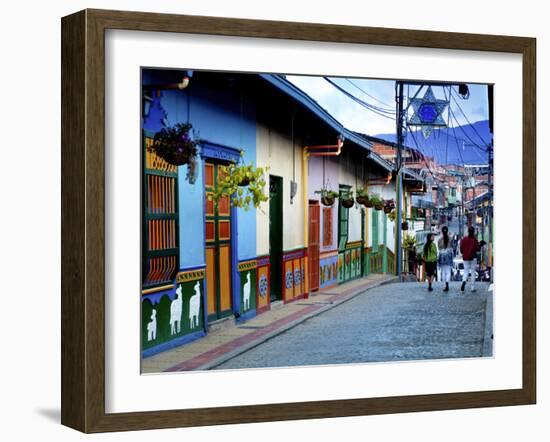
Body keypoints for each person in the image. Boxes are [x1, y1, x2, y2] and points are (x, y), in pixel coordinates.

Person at [459, 226, 486, 292]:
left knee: (466, 271)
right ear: (473, 232)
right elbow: (477, 248)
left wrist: (463, 253)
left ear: (468, 231)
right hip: (473, 257)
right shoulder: (474, 239)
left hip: (465, 258)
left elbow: (461, 248)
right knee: (473, 272)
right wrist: (481, 244)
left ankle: (464, 281)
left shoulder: (464, 239)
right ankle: (472, 287)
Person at [438, 226, 453, 292]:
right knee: (448, 271)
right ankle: (447, 283)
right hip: (449, 255)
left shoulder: (440, 240)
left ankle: (444, 285)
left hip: (442, 255)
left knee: (443, 272)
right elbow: (451, 246)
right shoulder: (450, 239)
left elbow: (439, 247)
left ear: (442, 231)